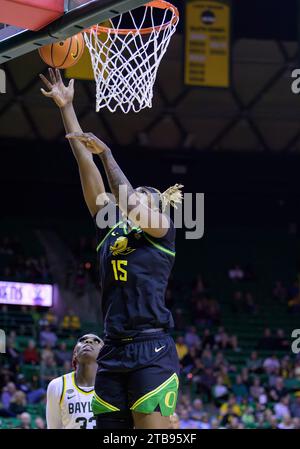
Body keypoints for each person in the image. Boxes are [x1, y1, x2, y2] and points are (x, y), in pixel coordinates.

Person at [40, 68, 182, 430]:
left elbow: (131, 200)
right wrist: (66, 108)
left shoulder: (162, 230)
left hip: (151, 347)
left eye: (149, 199)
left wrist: (108, 154)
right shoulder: (110, 230)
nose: (138, 203)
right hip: (114, 350)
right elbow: (83, 162)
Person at [46, 334, 103, 429]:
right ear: (75, 352)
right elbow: (54, 427)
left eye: (96, 341)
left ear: (103, 354)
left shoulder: (114, 386)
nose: (88, 342)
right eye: (83, 340)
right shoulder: (57, 385)